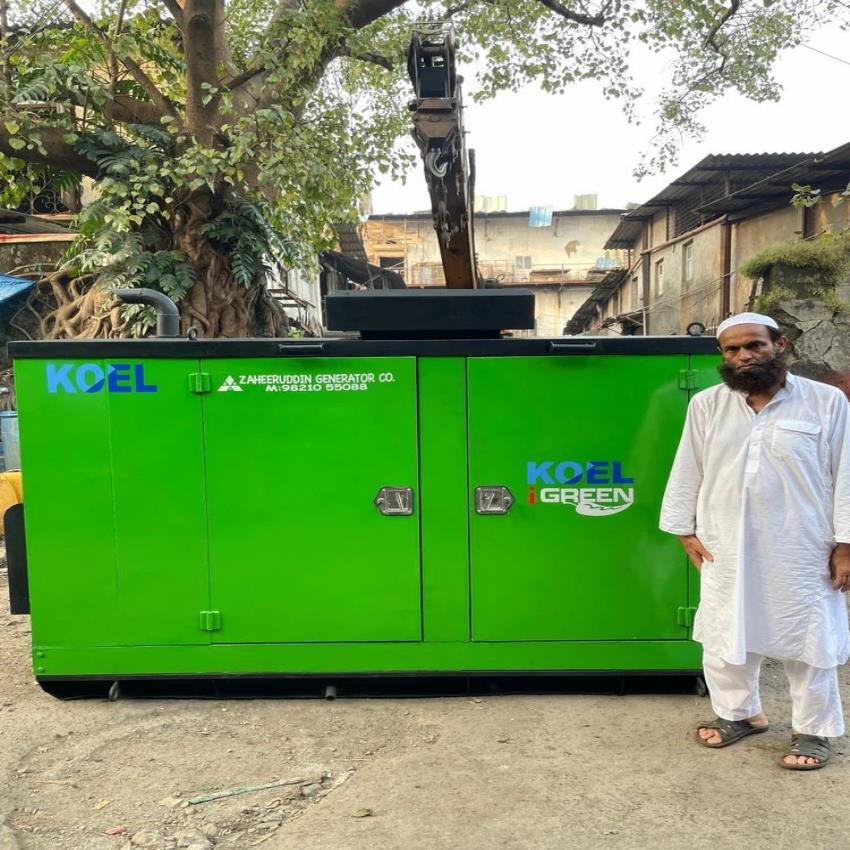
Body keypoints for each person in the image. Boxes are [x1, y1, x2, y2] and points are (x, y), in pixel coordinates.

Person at [660, 312, 850, 770]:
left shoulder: (825, 401)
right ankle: (741, 714)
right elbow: (688, 467)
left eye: (754, 345)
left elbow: (847, 472)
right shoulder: (707, 405)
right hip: (724, 542)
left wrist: (845, 544)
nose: (743, 356)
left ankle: (814, 730)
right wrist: (683, 530)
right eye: (732, 349)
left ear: (779, 345)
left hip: (803, 545)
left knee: (810, 636)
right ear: (722, 355)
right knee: (726, 631)